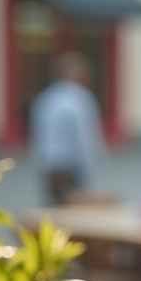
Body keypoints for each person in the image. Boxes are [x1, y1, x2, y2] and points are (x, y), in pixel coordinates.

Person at [29, 51, 108, 204]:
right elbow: (84, 137)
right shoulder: (80, 98)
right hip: (71, 167)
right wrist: (91, 164)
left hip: (49, 167)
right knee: (74, 215)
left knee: (52, 213)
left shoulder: (45, 98)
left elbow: (37, 134)